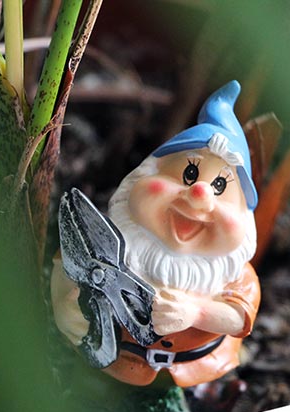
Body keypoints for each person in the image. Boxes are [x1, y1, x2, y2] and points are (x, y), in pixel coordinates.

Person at [51, 80, 260, 392]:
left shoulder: (232, 275)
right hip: (115, 361)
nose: (199, 195)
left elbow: (237, 318)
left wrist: (197, 311)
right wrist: (66, 308)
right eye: (189, 174)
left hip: (188, 369)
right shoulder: (102, 241)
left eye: (220, 187)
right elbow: (66, 267)